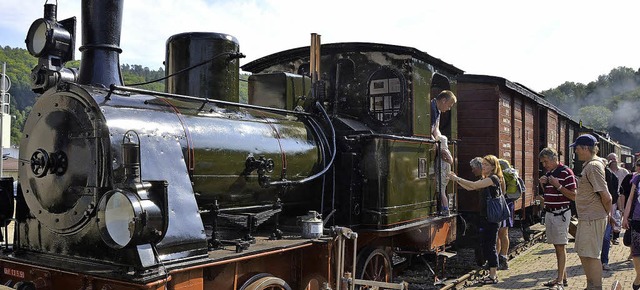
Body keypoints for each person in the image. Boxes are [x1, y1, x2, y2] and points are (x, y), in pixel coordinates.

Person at [449, 155, 504, 285]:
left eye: (486, 165)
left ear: (493, 167)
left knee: (490, 246)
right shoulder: (486, 179)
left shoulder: (493, 178)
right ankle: (491, 273)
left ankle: (493, 275)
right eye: (483, 164)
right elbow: (470, 188)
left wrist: (455, 178)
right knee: (486, 245)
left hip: (491, 219)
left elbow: (473, 185)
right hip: (486, 217)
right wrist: (456, 180)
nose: (483, 167)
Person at [572, 134, 612, 290]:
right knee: (584, 252)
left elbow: (606, 196)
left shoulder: (593, 167)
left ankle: (596, 287)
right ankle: (591, 286)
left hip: (592, 217)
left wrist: (607, 214)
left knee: (591, 254)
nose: (575, 151)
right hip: (587, 217)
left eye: (577, 148)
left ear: (585, 148)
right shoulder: (589, 165)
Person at [538, 147, 576, 289]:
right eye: (542, 162)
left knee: (561, 247)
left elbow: (573, 195)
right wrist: (544, 184)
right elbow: (548, 194)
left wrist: (558, 185)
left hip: (561, 214)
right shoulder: (550, 173)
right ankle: (562, 278)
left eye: (546, 161)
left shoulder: (566, 173)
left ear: (554, 158)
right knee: (556, 246)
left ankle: (560, 281)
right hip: (550, 213)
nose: (544, 165)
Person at [431, 90, 457, 215]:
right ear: (443, 100)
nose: (449, 108)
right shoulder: (430, 108)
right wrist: (437, 144)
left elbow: (436, 130)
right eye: (449, 105)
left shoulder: (438, 112)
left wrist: (441, 145)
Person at [622, 160, 640, 290]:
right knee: (636, 251)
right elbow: (630, 198)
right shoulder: (637, 179)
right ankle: (639, 276)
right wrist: (625, 217)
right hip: (637, 219)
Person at [599, 157, 619, 271]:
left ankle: (604, 261)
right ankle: (598, 261)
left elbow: (614, 195)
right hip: (596, 210)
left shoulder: (612, 177)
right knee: (601, 238)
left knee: (606, 238)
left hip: (607, 209)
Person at [496, 159, 516, 270]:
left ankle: (502, 258)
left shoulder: (501, 177)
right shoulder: (509, 174)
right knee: (503, 233)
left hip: (503, 206)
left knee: (501, 233)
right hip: (508, 204)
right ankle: (501, 257)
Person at [607, 153, 629, 245]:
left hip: (621, 197)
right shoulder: (606, 172)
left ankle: (616, 236)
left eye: (614, 159)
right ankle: (610, 235)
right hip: (610, 196)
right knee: (610, 216)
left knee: (618, 215)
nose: (613, 160)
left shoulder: (624, 172)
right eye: (611, 159)